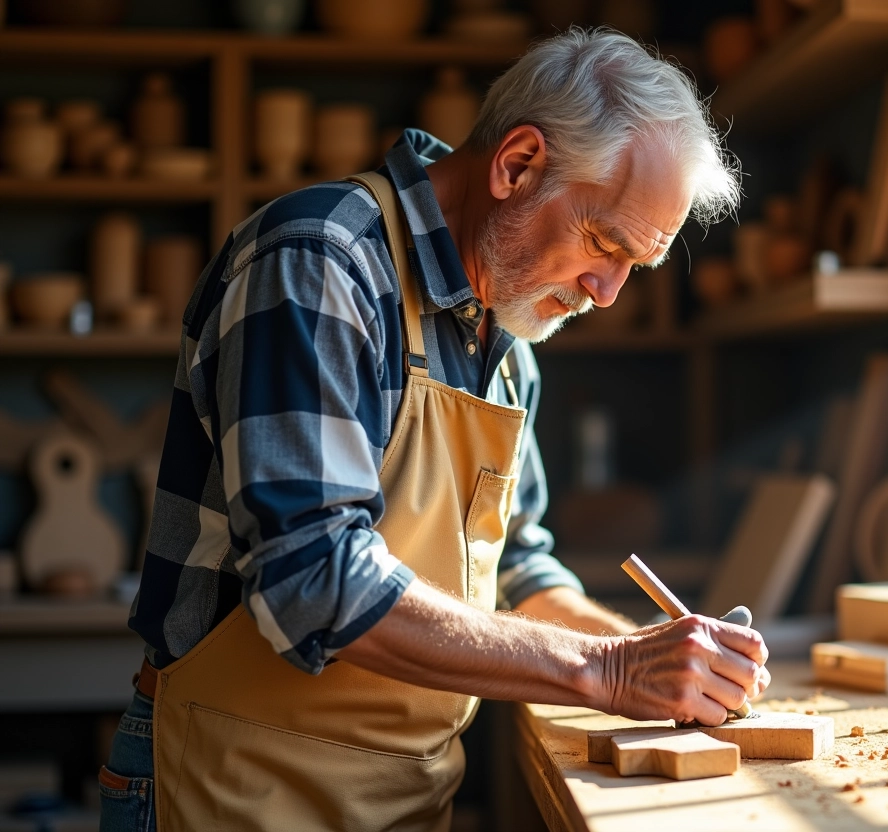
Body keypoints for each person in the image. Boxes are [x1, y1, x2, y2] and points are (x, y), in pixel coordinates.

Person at [100, 28, 766, 832]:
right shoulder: (322, 261)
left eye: (637, 266)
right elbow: (314, 580)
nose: (608, 291)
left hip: (405, 799)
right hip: (237, 785)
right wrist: (609, 669)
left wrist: (666, 655)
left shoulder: (509, 331)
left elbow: (519, 568)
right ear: (516, 165)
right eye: (604, 243)